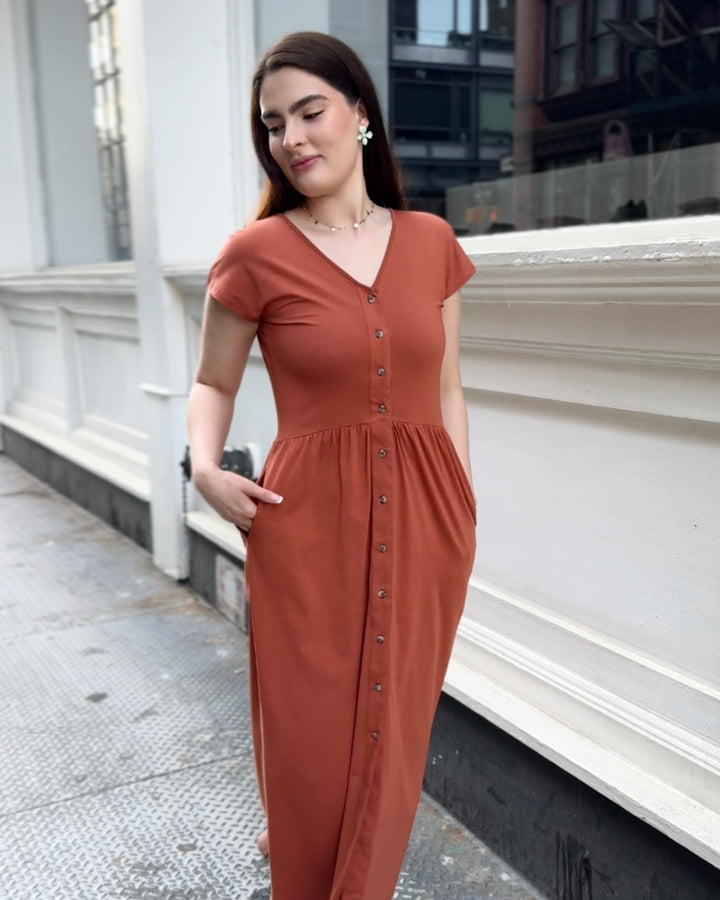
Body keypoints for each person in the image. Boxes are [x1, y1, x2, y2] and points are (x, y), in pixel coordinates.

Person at [186, 31, 477, 900]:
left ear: (360, 115)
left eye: (310, 112)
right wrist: (203, 467)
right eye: (274, 124)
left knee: (397, 736)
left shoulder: (432, 242)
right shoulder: (254, 254)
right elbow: (212, 381)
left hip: (426, 527)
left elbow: (449, 387)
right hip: (305, 529)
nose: (292, 137)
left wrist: (461, 507)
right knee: (310, 740)